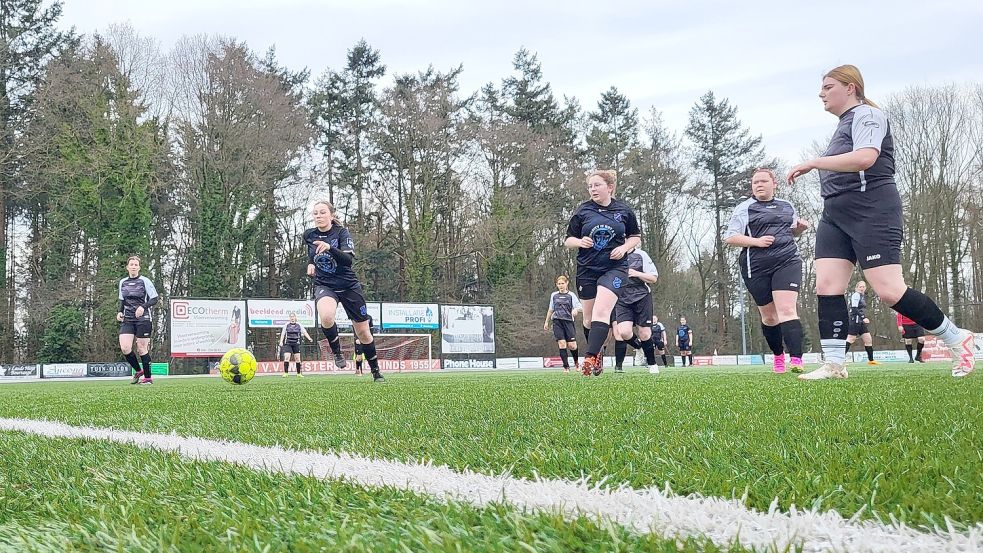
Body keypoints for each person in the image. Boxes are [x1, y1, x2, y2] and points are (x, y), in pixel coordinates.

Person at [787, 64, 975, 378]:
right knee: (827, 286)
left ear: (851, 88)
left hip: (872, 210)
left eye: (828, 86)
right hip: (835, 214)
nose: (821, 93)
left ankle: (957, 338)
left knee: (889, 291)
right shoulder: (844, 123)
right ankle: (834, 364)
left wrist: (814, 162)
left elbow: (865, 158)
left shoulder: (868, 115)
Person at [724, 167, 810, 374]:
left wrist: (799, 229)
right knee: (770, 317)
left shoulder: (787, 206)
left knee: (788, 309)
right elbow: (731, 237)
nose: (759, 185)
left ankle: (797, 360)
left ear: (774, 184)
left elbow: (791, 233)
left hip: (787, 260)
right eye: (755, 183)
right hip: (756, 266)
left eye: (763, 181)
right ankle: (778, 356)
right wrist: (756, 242)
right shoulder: (744, 208)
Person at [564, 170, 641, 376]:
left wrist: (624, 248)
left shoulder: (624, 210)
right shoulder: (583, 211)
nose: (592, 189)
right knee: (588, 320)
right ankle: (597, 353)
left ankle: (589, 358)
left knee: (602, 313)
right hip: (587, 269)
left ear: (609, 187)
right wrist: (580, 242)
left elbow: (635, 236)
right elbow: (568, 240)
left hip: (615, 268)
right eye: (590, 186)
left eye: (597, 185)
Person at [306, 200, 385, 382]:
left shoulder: (341, 233)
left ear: (331, 215)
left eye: (322, 212)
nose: (318, 216)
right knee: (326, 316)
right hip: (325, 285)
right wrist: (310, 263)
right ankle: (337, 353)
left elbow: (348, 260)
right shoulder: (309, 235)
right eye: (315, 213)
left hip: (348, 286)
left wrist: (331, 248)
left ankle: (375, 371)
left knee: (364, 332)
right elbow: (311, 251)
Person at [612, 248, 659, 374]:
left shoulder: (641, 255)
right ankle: (639, 347)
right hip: (622, 297)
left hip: (641, 296)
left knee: (644, 333)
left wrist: (637, 274)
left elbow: (653, 278)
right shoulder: (613, 255)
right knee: (624, 332)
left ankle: (652, 364)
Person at [117, 255, 160, 385]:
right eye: (132, 265)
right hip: (128, 319)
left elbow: (155, 298)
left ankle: (148, 378)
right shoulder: (122, 282)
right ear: (127, 267)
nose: (134, 267)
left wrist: (143, 307)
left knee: (142, 348)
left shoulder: (145, 281)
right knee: (125, 348)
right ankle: (138, 370)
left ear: (139, 267)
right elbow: (122, 300)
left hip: (143, 319)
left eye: (136, 265)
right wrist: (119, 311)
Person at [544, 276, 582, 373]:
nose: (561, 286)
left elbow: (580, 307)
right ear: (556, 285)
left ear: (566, 283)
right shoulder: (554, 295)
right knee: (562, 343)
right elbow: (551, 309)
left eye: (562, 283)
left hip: (568, 321)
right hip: (557, 321)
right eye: (559, 284)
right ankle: (566, 367)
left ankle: (576, 363)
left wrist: (575, 310)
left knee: (572, 345)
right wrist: (547, 322)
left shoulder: (571, 295)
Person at [844, 281, 880, 365]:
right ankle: (840, 359)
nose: (862, 288)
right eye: (860, 287)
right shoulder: (856, 295)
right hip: (855, 320)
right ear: (856, 288)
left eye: (863, 287)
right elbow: (854, 308)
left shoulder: (862, 296)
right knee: (850, 339)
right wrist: (863, 318)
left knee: (868, 339)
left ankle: (871, 361)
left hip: (860, 321)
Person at [279, 312, 313, 377]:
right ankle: (286, 373)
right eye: (291, 317)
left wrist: (309, 338)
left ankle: (298, 373)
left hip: (296, 344)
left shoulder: (299, 325)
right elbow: (283, 334)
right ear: (289, 318)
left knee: (297, 359)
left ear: (295, 317)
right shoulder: (286, 325)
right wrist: (281, 341)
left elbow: (304, 332)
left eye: (293, 317)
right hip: (288, 343)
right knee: (287, 357)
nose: (292, 318)